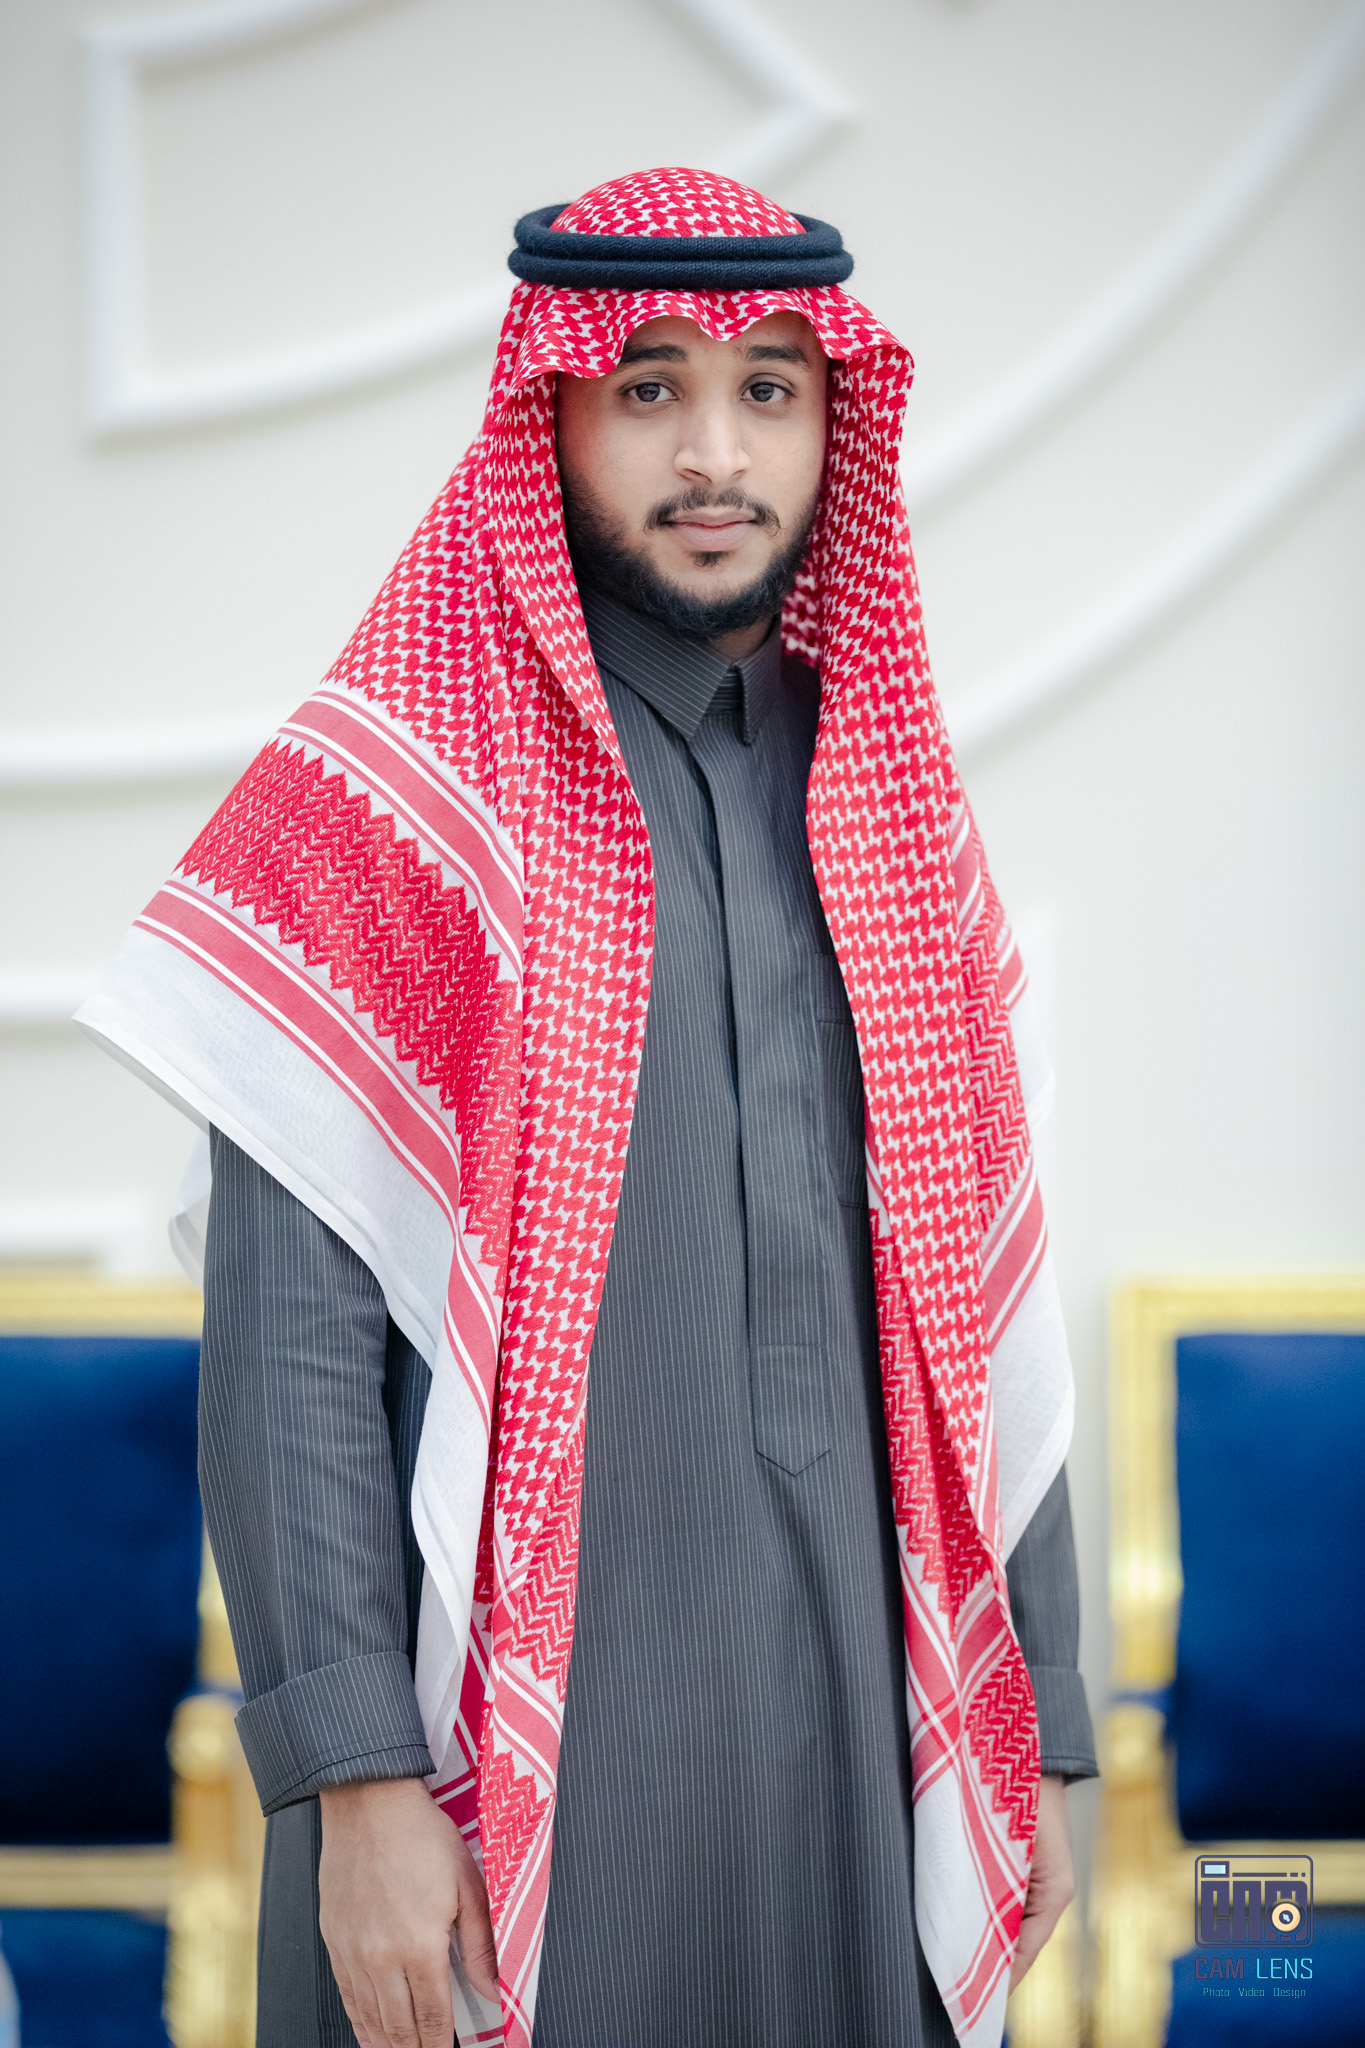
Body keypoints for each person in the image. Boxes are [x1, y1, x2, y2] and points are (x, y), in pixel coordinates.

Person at [80, 168, 1096, 2048]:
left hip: (860, 1754)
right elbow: (290, 1350)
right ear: (545, 412)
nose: (715, 454)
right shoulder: (394, 810)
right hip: (480, 1779)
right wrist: (355, 1782)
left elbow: (978, 1317)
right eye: (647, 388)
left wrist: (1048, 1729)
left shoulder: (889, 816)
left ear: (833, 420)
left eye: (768, 388)